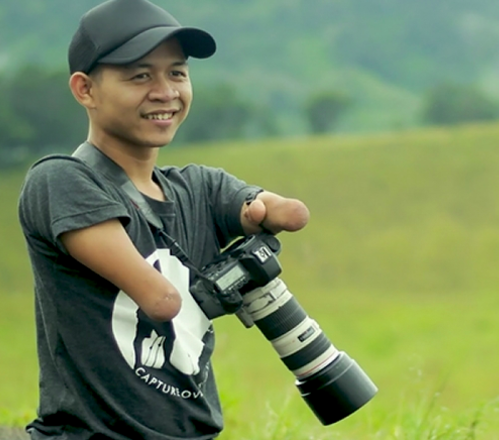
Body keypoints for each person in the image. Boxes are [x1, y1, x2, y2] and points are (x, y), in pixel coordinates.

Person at [17, 0, 310, 439]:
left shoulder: (198, 187)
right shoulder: (60, 181)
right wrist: (227, 287)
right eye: (140, 75)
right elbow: (161, 300)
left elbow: (293, 213)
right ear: (85, 90)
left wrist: (264, 216)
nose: (165, 91)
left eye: (177, 72)